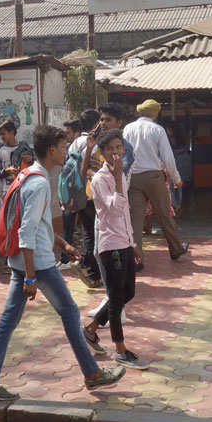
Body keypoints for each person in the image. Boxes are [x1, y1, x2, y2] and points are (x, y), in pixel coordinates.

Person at [0, 125, 126, 403]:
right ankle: (92, 373)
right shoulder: (39, 183)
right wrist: (31, 277)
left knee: (8, 322)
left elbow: (37, 224)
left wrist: (63, 244)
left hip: (23, 262)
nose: (65, 151)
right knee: (69, 313)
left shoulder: (29, 175)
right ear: (52, 150)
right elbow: (26, 232)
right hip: (38, 264)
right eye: (62, 146)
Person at [81, 130, 148, 369]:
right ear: (102, 153)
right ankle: (120, 350)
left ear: (123, 149)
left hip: (124, 243)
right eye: (110, 149)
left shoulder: (118, 176)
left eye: (118, 147)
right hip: (111, 246)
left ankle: (90, 329)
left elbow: (125, 215)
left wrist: (132, 243)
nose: (115, 153)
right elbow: (116, 209)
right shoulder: (101, 179)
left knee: (128, 293)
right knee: (117, 299)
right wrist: (118, 178)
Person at [123, 100, 189, 263]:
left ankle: (136, 259)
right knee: (164, 214)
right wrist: (177, 179)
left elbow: (124, 153)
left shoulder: (128, 128)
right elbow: (168, 158)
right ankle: (176, 249)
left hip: (133, 177)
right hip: (154, 177)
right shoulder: (157, 130)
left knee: (135, 219)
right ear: (155, 113)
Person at [68, 109, 103, 288]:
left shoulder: (74, 142)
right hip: (91, 191)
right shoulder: (93, 144)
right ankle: (85, 263)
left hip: (76, 193)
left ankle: (92, 271)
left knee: (88, 232)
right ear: (96, 124)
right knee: (95, 233)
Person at [59, 119, 83, 267]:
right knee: (68, 226)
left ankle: (82, 259)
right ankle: (65, 259)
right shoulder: (65, 148)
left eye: (67, 132)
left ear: (76, 133)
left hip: (80, 194)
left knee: (85, 228)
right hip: (68, 193)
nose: (65, 135)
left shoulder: (84, 148)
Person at [0, 120, 22, 199]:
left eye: (3, 134)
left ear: (12, 133)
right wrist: (6, 171)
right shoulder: (0, 149)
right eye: (0, 134)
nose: (1, 137)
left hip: (21, 189)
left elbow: (31, 168)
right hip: (6, 191)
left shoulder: (23, 148)